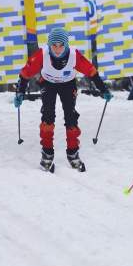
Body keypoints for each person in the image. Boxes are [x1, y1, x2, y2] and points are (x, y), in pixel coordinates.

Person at [14, 28, 113, 171]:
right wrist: (20, 92)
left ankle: (73, 153)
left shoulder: (74, 54)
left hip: (68, 84)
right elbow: (25, 73)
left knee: (71, 116)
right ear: (49, 45)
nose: (58, 49)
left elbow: (91, 71)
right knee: (48, 116)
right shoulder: (43, 53)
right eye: (54, 45)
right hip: (48, 83)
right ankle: (47, 154)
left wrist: (103, 90)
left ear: (66, 44)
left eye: (61, 45)